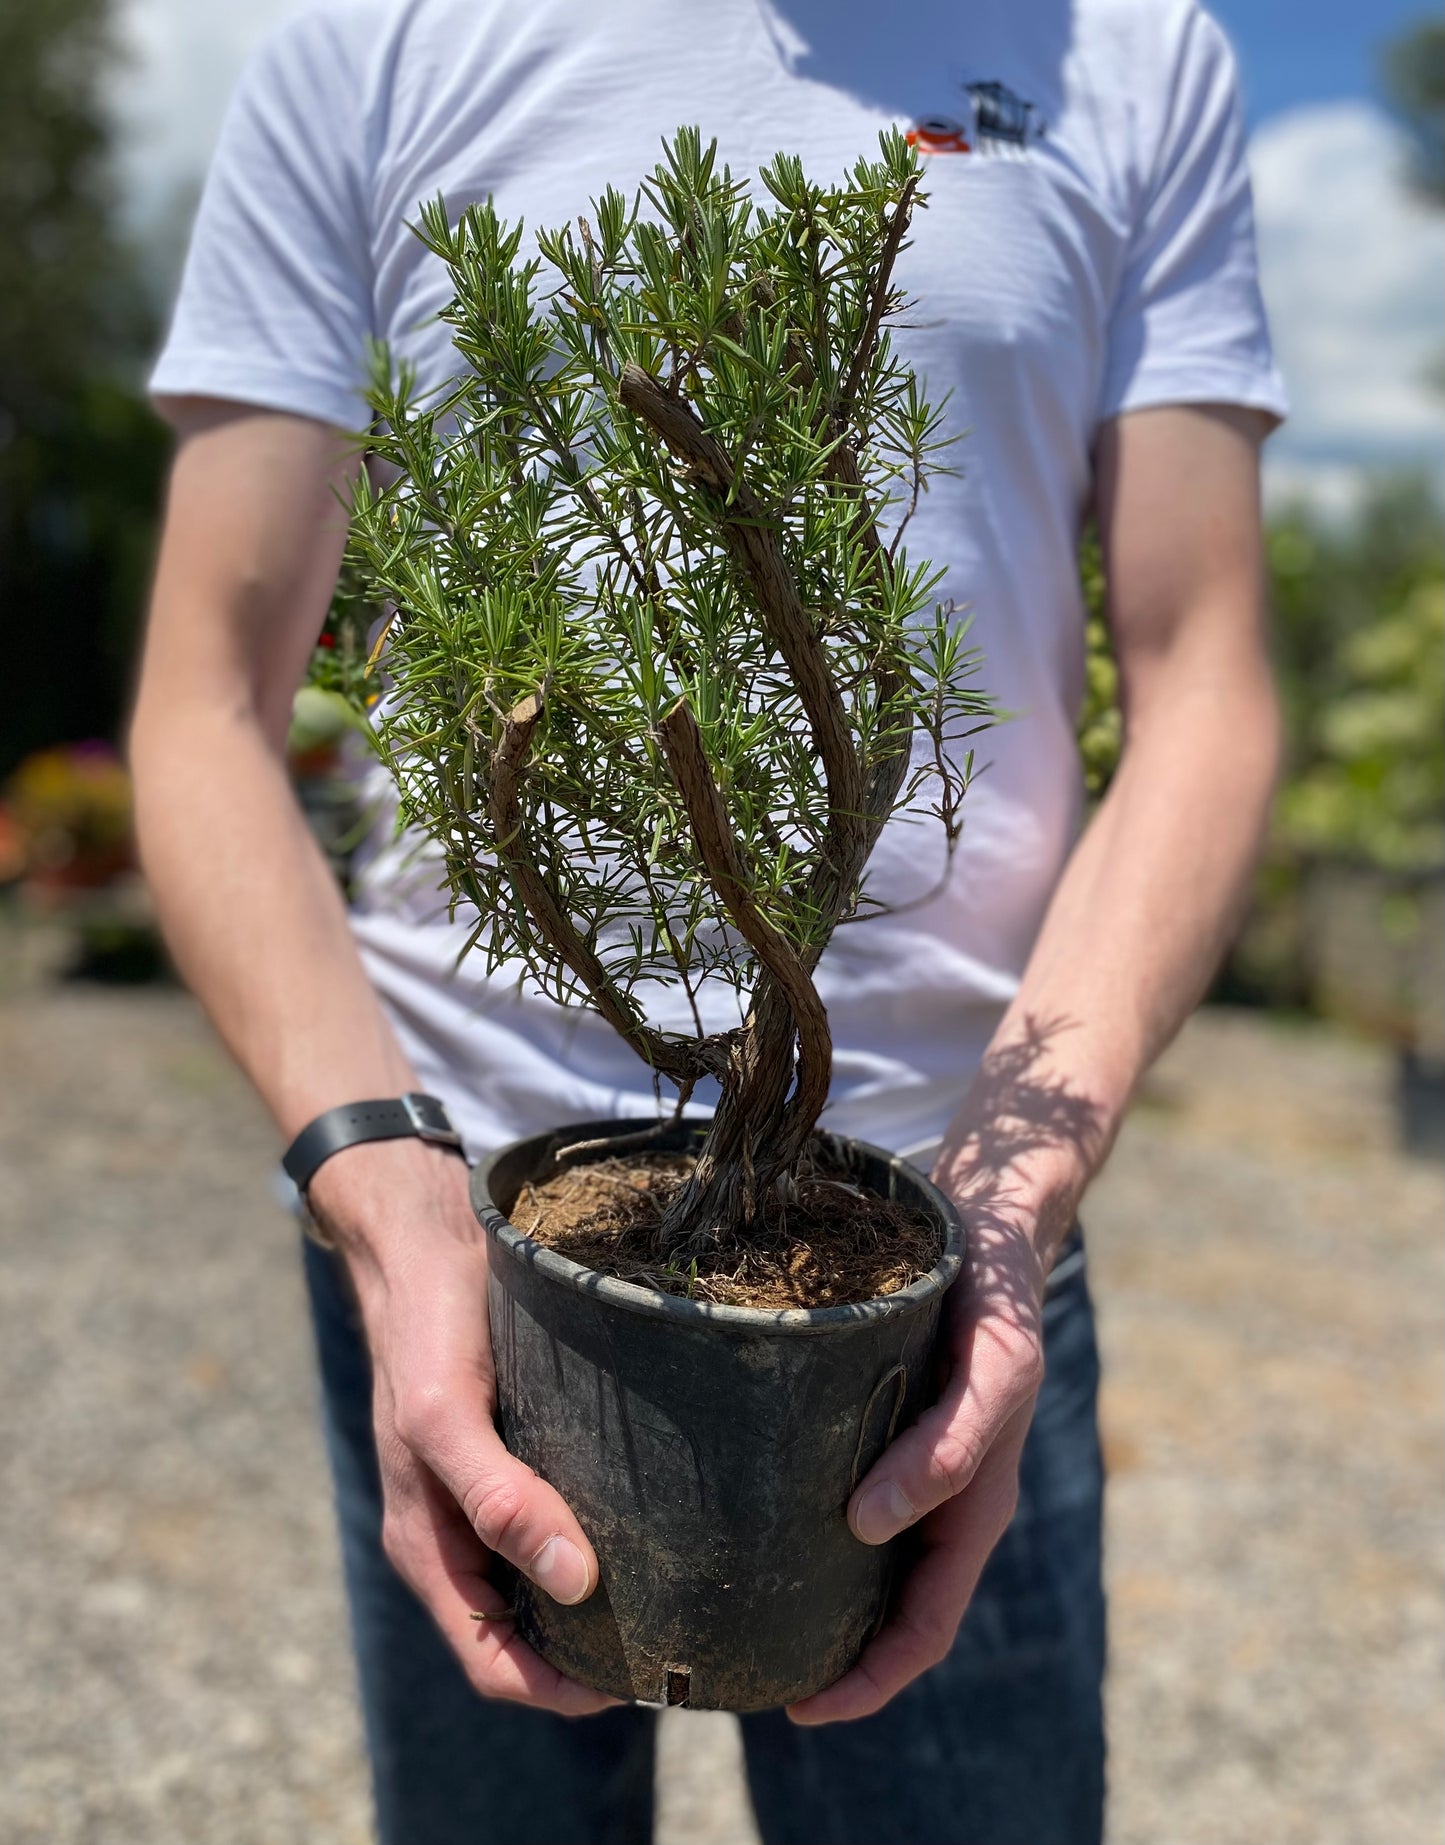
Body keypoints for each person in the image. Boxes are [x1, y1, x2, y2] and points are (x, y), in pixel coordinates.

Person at [128, 1, 1286, 1840]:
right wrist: (378, 1185)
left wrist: (1004, 1203)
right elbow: (199, 705)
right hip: (444, 1230)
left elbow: (1203, 675)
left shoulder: (1142, 52)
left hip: (944, 1259)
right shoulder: (369, 36)